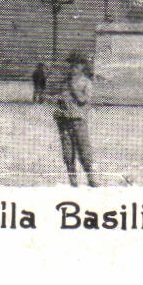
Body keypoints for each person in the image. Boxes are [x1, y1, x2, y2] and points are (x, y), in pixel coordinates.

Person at [53, 51, 97, 186]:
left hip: (78, 121)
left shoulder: (86, 83)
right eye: (71, 65)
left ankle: (91, 179)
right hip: (65, 121)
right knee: (68, 151)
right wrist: (58, 111)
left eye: (76, 65)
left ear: (82, 66)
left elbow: (84, 101)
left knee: (84, 150)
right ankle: (73, 181)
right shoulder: (64, 83)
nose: (73, 68)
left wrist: (73, 88)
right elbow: (59, 100)